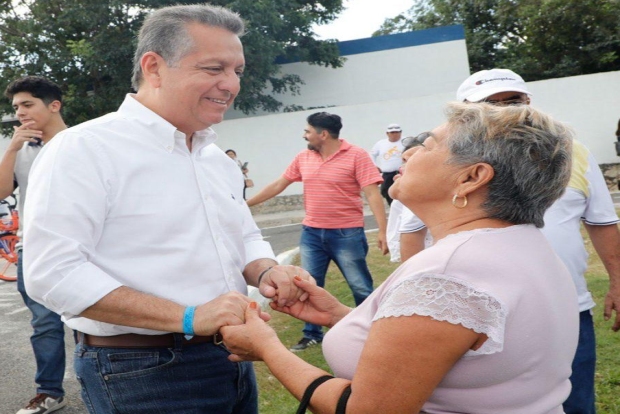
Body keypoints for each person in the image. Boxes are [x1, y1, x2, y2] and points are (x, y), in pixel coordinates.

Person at [23, 5, 312, 413]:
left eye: (237, 71)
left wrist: (267, 270)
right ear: (154, 67)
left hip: (233, 354)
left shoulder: (216, 159)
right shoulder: (84, 149)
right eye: (214, 68)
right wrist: (190, 316)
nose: (230, 85)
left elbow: (243, 235)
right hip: (140, 370)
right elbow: (53, 274)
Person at [222, 102, 579, 413]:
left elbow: (366, 409)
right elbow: (457, 346)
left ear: (472, 177)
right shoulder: (521, 244)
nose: (406, 154)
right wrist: (339, 316)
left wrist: (268, 348)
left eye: (426, 145)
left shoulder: (448, 272)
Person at [457, 68, 620, 414]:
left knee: (576, 404)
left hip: (567, 309)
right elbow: (416, 228)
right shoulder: (451, 160)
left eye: (513, 101)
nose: (506, 111)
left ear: (529, 103)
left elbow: (602, 222)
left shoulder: (571, 151)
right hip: (481, 317)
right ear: (467, 112)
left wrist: (618, 282)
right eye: (491, 103)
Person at [247, 111, 388, 351]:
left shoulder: (356, 155)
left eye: (308, 131)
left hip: (347, 233)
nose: (305, 135)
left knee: (360, 286)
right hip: (312, 233)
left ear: (323, 134)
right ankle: (312, 334)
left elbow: (373, 194)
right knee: (308, 285)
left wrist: (383, 231)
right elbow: (279, 184)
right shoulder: (304, 157)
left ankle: (372, 331)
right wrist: (245, 205)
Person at [1, 76, 68, 414]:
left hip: (80, 246)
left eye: (27, 104)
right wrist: (11, 148)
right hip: (33, 249)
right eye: (16, 108)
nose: (20, 113)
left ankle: (106, 383)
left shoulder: (80, 142)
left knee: (97, 321)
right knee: (45, 323)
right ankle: (49, 392)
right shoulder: (22, 151)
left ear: (53, 105)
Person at [370, 123, 404, 205]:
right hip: (388, 174)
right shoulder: (381, 143)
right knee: (386, 190)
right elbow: (371, 154)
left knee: (403, 192)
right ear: (387, 133)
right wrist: (374, 166)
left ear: (400, 132)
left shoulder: (405, 141)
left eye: (397, 132)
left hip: (402, 173)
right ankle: (392, 207)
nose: (395, 134)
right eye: (392, 132)